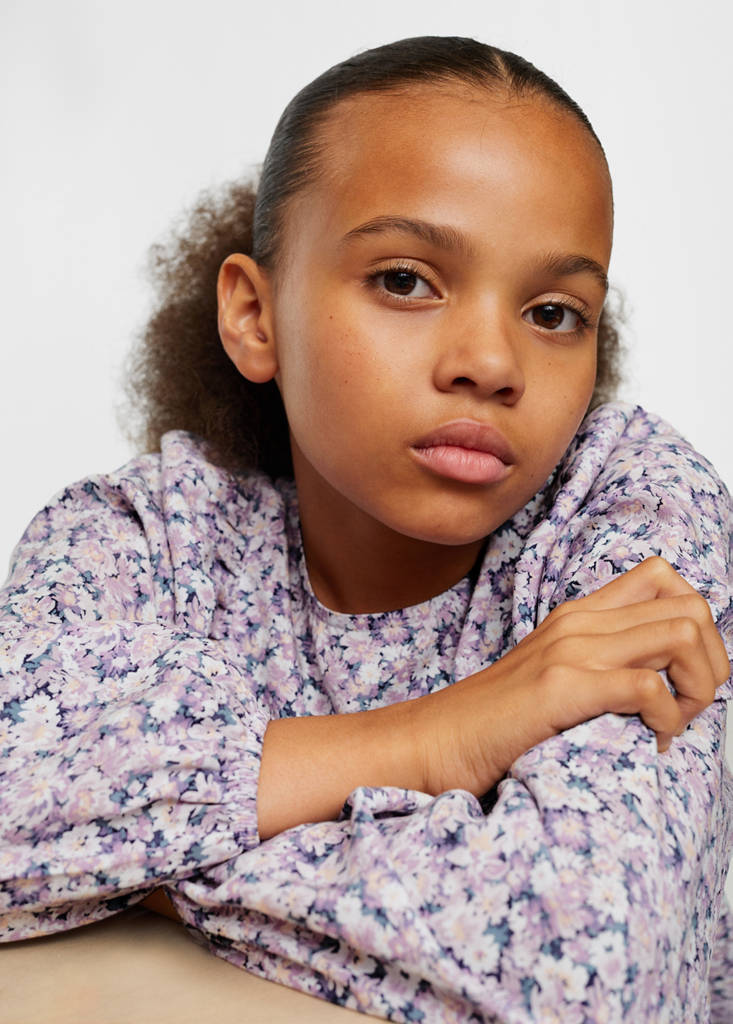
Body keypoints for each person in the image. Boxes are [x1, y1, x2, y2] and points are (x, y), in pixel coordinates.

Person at [1, 35, 731, 1023]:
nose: (491, 362)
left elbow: (580, 966)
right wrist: (442, 736)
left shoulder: (635, 516)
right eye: (404, 280)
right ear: (254, 316)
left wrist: (148, 872)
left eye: (554, 312)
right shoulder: (144, 536)